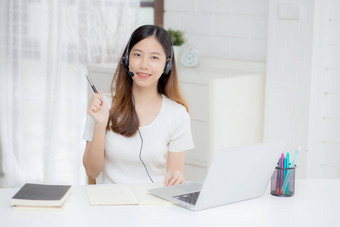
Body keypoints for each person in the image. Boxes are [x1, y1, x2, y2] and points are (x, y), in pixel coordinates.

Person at [82, 25, 194, 186]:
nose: (144, 65)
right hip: (110, 205)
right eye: (137, 55)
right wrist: (100, 124)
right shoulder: (102, 106)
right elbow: (92, 172)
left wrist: (176, 178)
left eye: (154, 57)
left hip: (153, 206)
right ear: (126, 59)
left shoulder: (177, 114)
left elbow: (173, 176)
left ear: (167, 65)